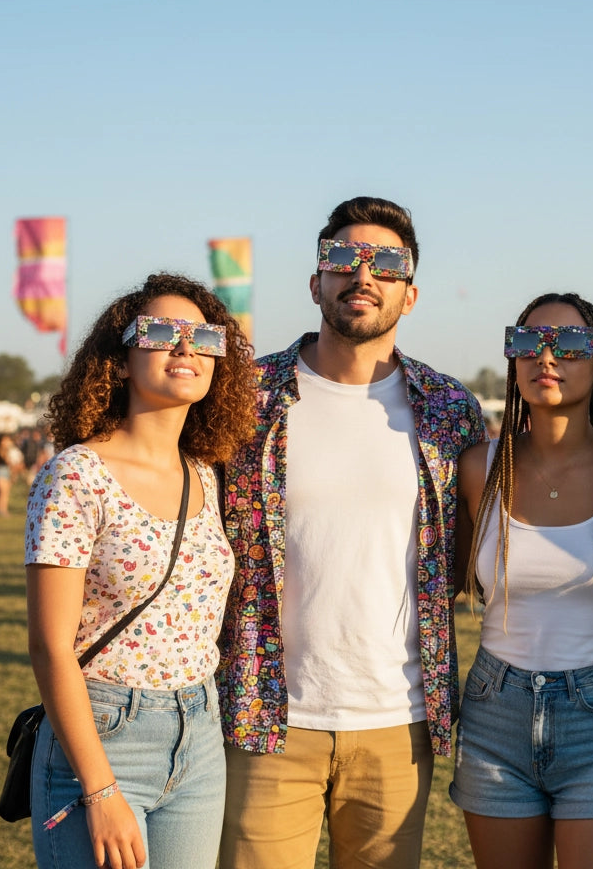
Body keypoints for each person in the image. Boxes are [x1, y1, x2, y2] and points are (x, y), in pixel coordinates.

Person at [217, 196, 486, 869]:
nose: (363, 276)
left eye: (387, 264)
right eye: (343, 258)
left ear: (411, 293)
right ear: (316, 281)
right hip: (265, 717)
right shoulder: (245, 397)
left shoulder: (451, 410)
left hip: (398, 721)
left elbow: (464, 558)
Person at [25, 273, 255, 869]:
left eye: (203, 336)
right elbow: (51, 647)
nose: (185, 348)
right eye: (159, 332)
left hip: (201, 732)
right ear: (120, 360)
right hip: (103, 735)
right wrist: (100, 791)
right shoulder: (76, 474)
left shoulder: (206, 473)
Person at [449, 292, 593, 869]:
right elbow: (446, 577)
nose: (545, 356)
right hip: (494, 709)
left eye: (570, 344)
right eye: (527, 342)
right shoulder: (480, 468)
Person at [0, 432, 24, 515]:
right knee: (2, 491)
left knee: (4, 492)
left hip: (6, 471)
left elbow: (12, 462)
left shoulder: (10, 451)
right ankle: (3, 510)